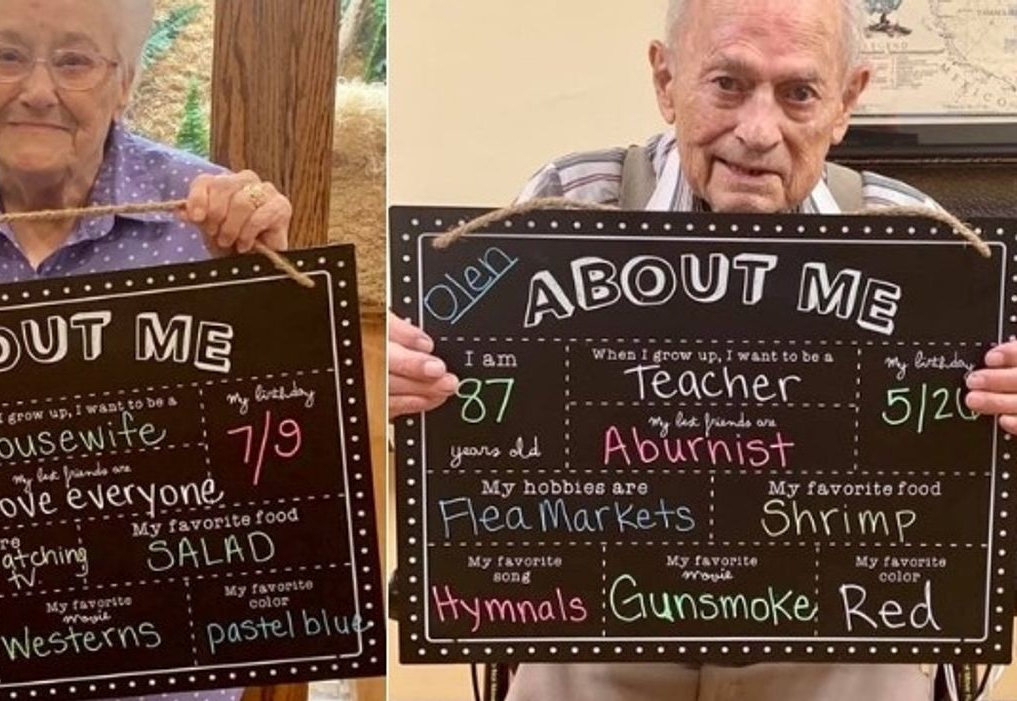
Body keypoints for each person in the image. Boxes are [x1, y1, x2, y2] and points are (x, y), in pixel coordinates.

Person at [389, 0, 1017, 699]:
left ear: (845, 104)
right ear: (665, 81)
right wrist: (414, 381)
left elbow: (967, 483)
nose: (756, 132)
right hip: (593, 632)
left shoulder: (918, 237)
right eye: (726, 84)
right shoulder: (567, 202)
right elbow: (480, 413)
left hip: (841, 641)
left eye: (798, 93)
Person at [0, 2, 291, 700]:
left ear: (123, 81)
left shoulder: (204, 216)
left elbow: (281, 446)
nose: (38, 89)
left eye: (74, 60)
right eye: (6, 55)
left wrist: (267, 293)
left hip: (154, 664)